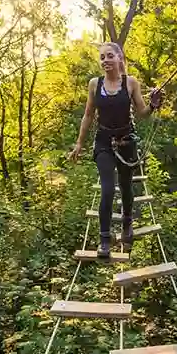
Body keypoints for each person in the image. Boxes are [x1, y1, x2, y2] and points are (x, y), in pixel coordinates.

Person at [69, 42, 162, 257]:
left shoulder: (130, 83)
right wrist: (80, 143)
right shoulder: (95, 84)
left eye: (110, 56)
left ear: (120, 58)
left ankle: (127, 224)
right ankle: (104, 239)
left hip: (126, 140)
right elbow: (88, 115)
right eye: (102, 57)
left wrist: (154, 105)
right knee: (108, 189)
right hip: (103, 142)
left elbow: (141, 113)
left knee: (127, 186)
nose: (105, 61)